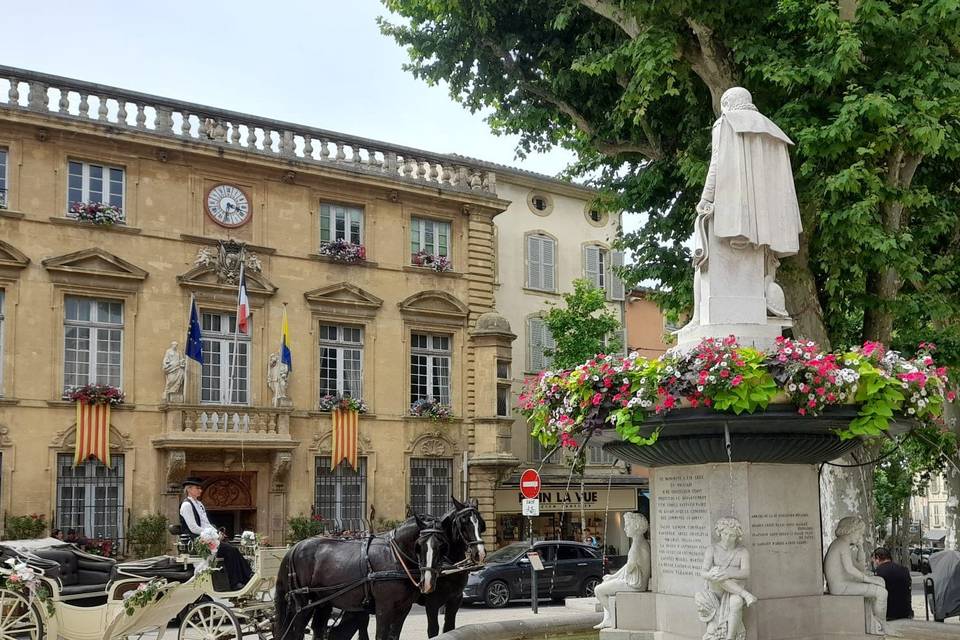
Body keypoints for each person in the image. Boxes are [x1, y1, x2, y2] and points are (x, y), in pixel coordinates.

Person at [824, 516, 893, 636]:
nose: (860, 536)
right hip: (840, 587)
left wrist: (860, 547)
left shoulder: (842, 544)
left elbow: (860, 567)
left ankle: (873, 623)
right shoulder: (842, 544)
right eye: (860, 533)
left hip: (844, 582)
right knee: (882, 592)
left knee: (880, 580)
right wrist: (868, 579)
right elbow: (850, 569)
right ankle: (882, 625)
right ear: (851, 530)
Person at [179, 477, 252, 589]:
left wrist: (216, 532)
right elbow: (193, 528)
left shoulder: (199, 504)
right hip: (197, 541)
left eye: (200, 488)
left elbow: (206, 523)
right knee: (230, 551)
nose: (200, 490)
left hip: (208, 538)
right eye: (197, 488)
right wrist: (211, 534)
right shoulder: (186, 505)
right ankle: (235, 583)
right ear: (189, 489)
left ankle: (247, 576)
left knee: (234, 549)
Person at [695, 517, 757, 640]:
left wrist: (728, 574)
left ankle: (730, 638)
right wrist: (710, 575)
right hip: (716, 589)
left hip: (734, 589)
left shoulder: (742, 551)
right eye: (725, 534)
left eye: (732, 535)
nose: (728, 538)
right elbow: (703, 572)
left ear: (737, 536)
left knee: (737, 602)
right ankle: (746, 594)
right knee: (717, 572)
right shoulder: (712, 549)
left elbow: (746, 573)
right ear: (720, 532)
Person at [594, 513, 651, 630]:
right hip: (635, 582)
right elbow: (629, 567)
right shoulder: (640, 542)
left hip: (635, 585)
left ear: (636, 527)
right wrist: (613, 576)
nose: (625, 528)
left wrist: (614, 577)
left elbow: (629, 568)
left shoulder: (636, 545)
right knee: (606, 585)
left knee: (598, 590)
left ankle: (613, 618)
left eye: (628, 525)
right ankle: (607, 619)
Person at [872, 547, 913, 620]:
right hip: (906, 612)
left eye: (874, 561)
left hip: (889, 614)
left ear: (877, 558)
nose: (874, 563)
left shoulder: (879, 572)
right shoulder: (904, 570)